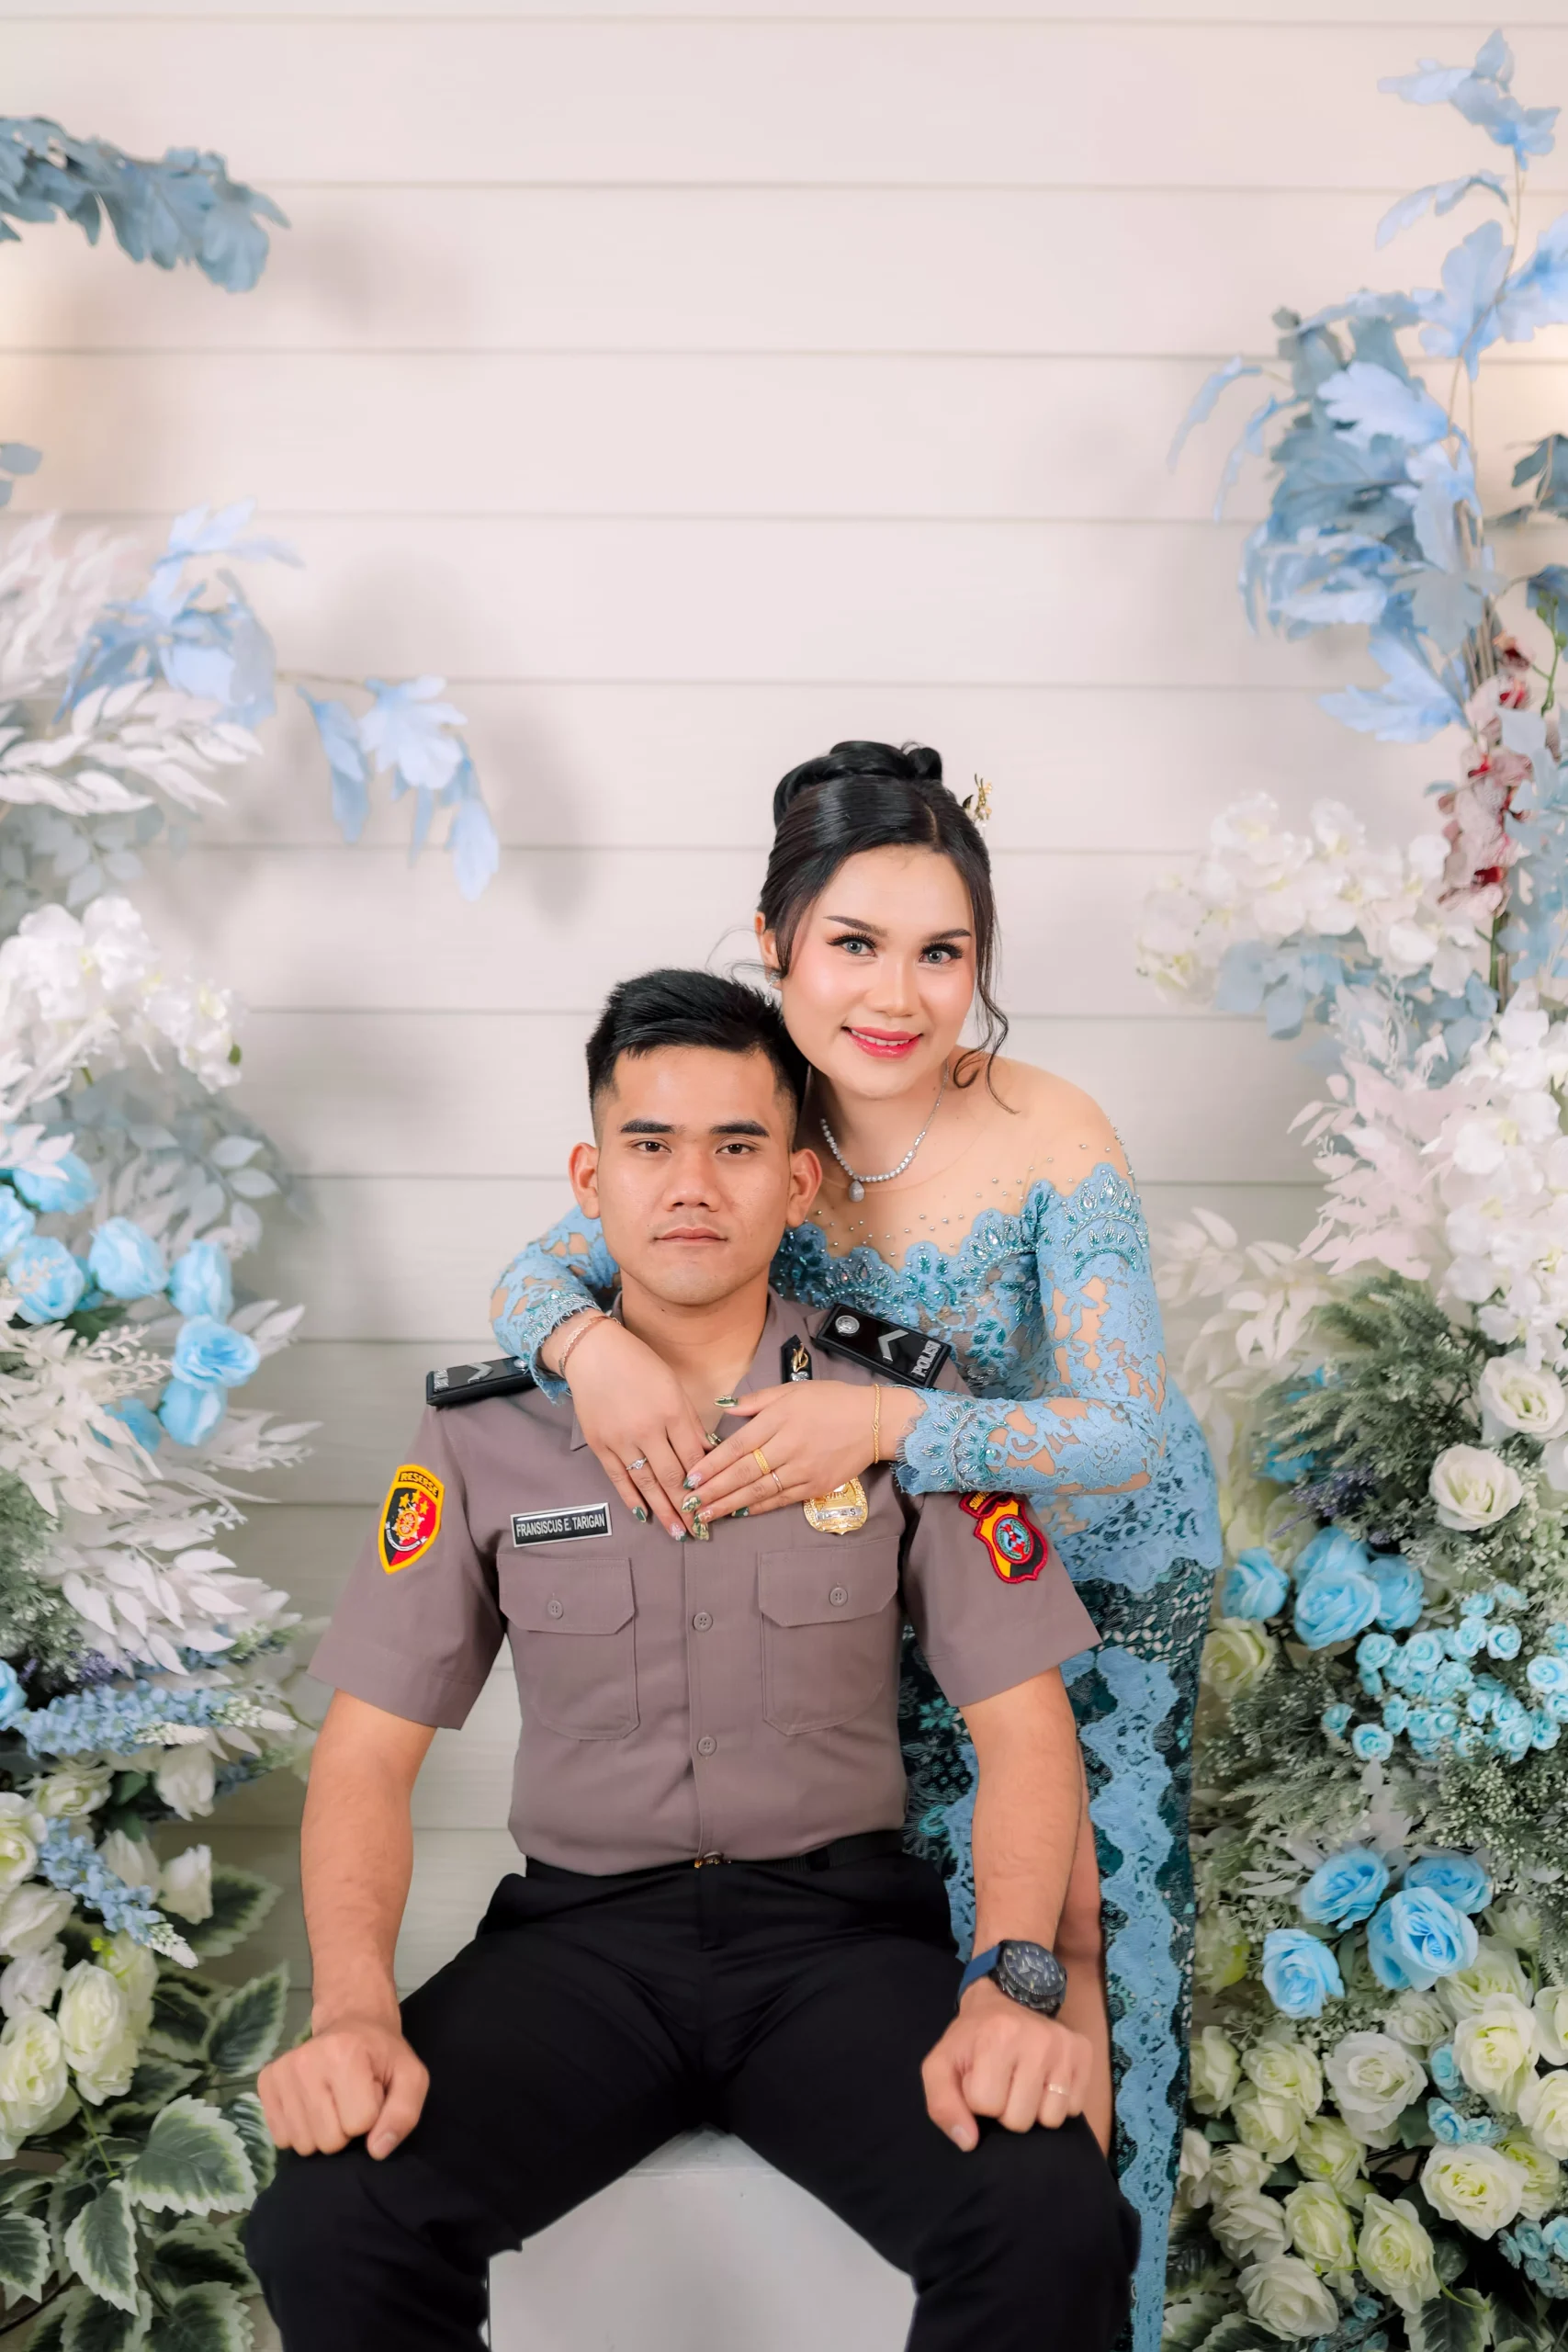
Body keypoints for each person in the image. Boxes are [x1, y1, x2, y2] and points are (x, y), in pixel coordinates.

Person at [247, 967, 1137, 2352]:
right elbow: (365, 1754)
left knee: (1049, 2211)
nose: (691, 1185)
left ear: (796, 1182)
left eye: (735, 1146)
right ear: (590, 1177)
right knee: (329, 2219)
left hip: (841, 1948)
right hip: (577, 1951)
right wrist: (353, 2010)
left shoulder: (896, 1411)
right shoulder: (484, 1435)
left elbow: (1025, 1728)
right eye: (651, 1144)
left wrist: (1011, 1982)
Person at [488, 743, 1221, 2352]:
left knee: (1076, 1985)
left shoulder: (1049, 1133)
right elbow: (534, 1277)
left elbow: (1119, 1427)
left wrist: (887, 1428)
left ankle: (1100, 2306)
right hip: (867, 1591)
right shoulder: (744, 1120)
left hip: (1089, 1590)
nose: (897, 995)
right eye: (854, 944)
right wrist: (589, 1352)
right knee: (904, 1980)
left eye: (942, 952)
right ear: (775, 941)